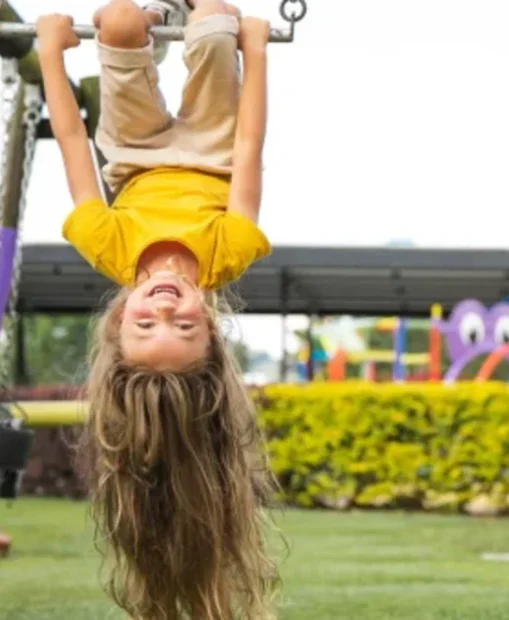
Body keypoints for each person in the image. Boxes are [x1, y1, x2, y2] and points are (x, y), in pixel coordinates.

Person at [36, 1, 280, 617]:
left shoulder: (108, 247)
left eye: (146, 324)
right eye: (185, 325)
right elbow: (249, 146)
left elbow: (71, 142)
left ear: (120, 320)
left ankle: (157, 15)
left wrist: (50, 51)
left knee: (117, 21)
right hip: (215, 149)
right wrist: (256, 52)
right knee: (218, 22)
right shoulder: (230, 252)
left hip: (134, 152)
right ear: (213, 328)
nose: (164, 309)